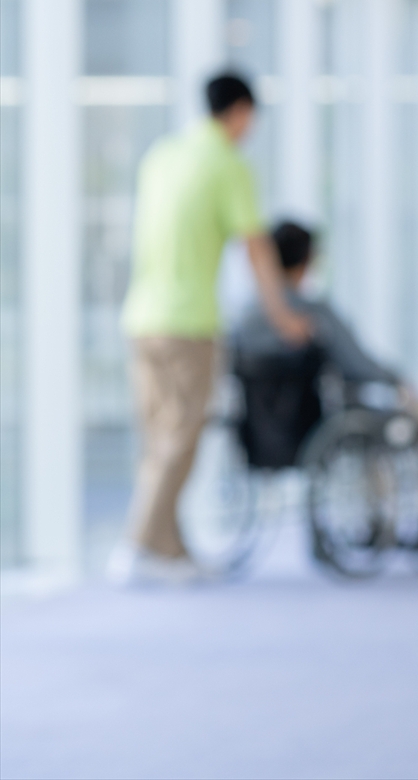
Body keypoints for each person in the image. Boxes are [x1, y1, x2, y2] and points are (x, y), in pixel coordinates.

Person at [110, 73, 312, 586]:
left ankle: (169, 552)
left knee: (159, 439)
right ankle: (135, 548)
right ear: (240, 112)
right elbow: (257, 248)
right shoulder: (227, 163)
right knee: (179, 441)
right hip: (188, 322)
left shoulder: (162, 155)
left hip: (141, 316)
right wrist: (282, 315)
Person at [235, 221, 418, 545]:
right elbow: (357, 364)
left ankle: (378, 516)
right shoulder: (311, 313)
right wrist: (396, 380)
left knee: (362, 424)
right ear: (307, 261)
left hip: (264, 432)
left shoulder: (244, 320)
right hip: (319, 421)